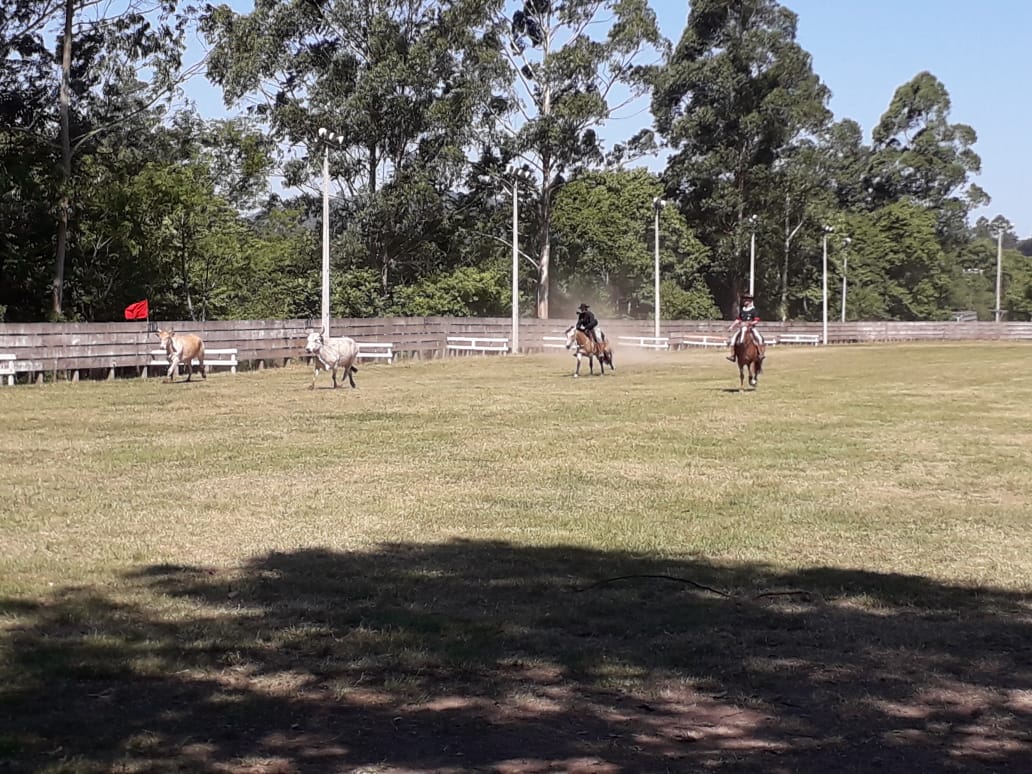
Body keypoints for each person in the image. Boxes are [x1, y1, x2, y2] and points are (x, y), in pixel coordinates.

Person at [726, 294, 765, 361]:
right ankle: (733, 355)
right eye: (744, 299)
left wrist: (749, 323)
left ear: (750, 301)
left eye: (746, 300)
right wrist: (732, 326)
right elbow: (738, 319)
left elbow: (756, 321)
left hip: (751, 328)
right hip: (742, 328)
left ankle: (760, 354)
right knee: (733, 339)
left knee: (759, 338)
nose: (744, 301)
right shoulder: (742, 310)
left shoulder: (754, 310)